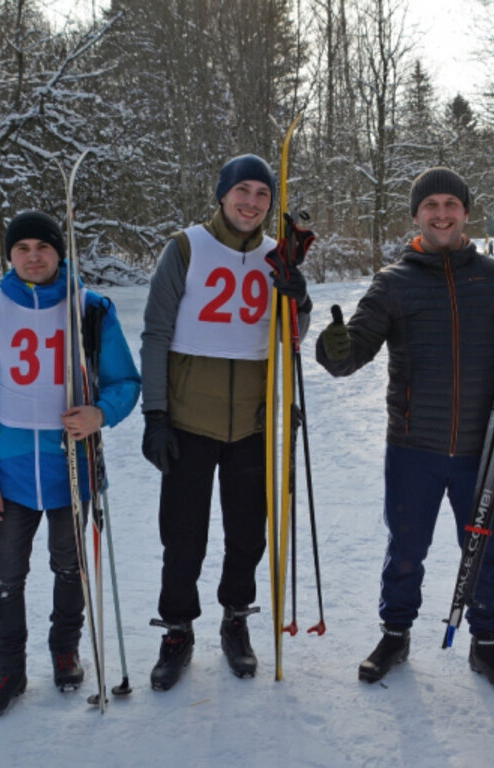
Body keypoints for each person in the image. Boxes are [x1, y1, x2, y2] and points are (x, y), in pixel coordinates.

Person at [316, 167, 494, 697]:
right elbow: (351, 352)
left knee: (484, 551)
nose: (442, 213)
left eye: (451, 203)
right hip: (412, 449)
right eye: (431, 205)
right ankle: (395, 635)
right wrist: (333, 349)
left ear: (466, 212)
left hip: (481, 447)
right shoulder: (394, 283)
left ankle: (485, 643)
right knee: (406, 548)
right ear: (417, 214)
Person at [0, 210, 141, 720]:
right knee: (6, 575)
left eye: (43, 246)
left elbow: (126, 382)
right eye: (22, 248)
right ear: (9, 256)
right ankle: (8, 669)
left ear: (60, 252)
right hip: (9, 471)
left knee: (69, 565)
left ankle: (65, 648)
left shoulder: (91, 308)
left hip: (71, 465)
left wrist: (101, 412)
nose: (33, 256)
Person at [139, 154, 312, 690]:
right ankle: (177, 629)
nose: (252, 202)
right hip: (189, 421)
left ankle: (236, 618)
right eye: (243, 191)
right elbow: (155, 334)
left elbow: (293, 333)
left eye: (263, 194)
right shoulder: (186, 247)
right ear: (222, 195)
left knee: (247, 535)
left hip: (253, 425)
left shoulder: (273, 255)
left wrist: (298, 294)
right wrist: (155, 414)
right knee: (183, 537)